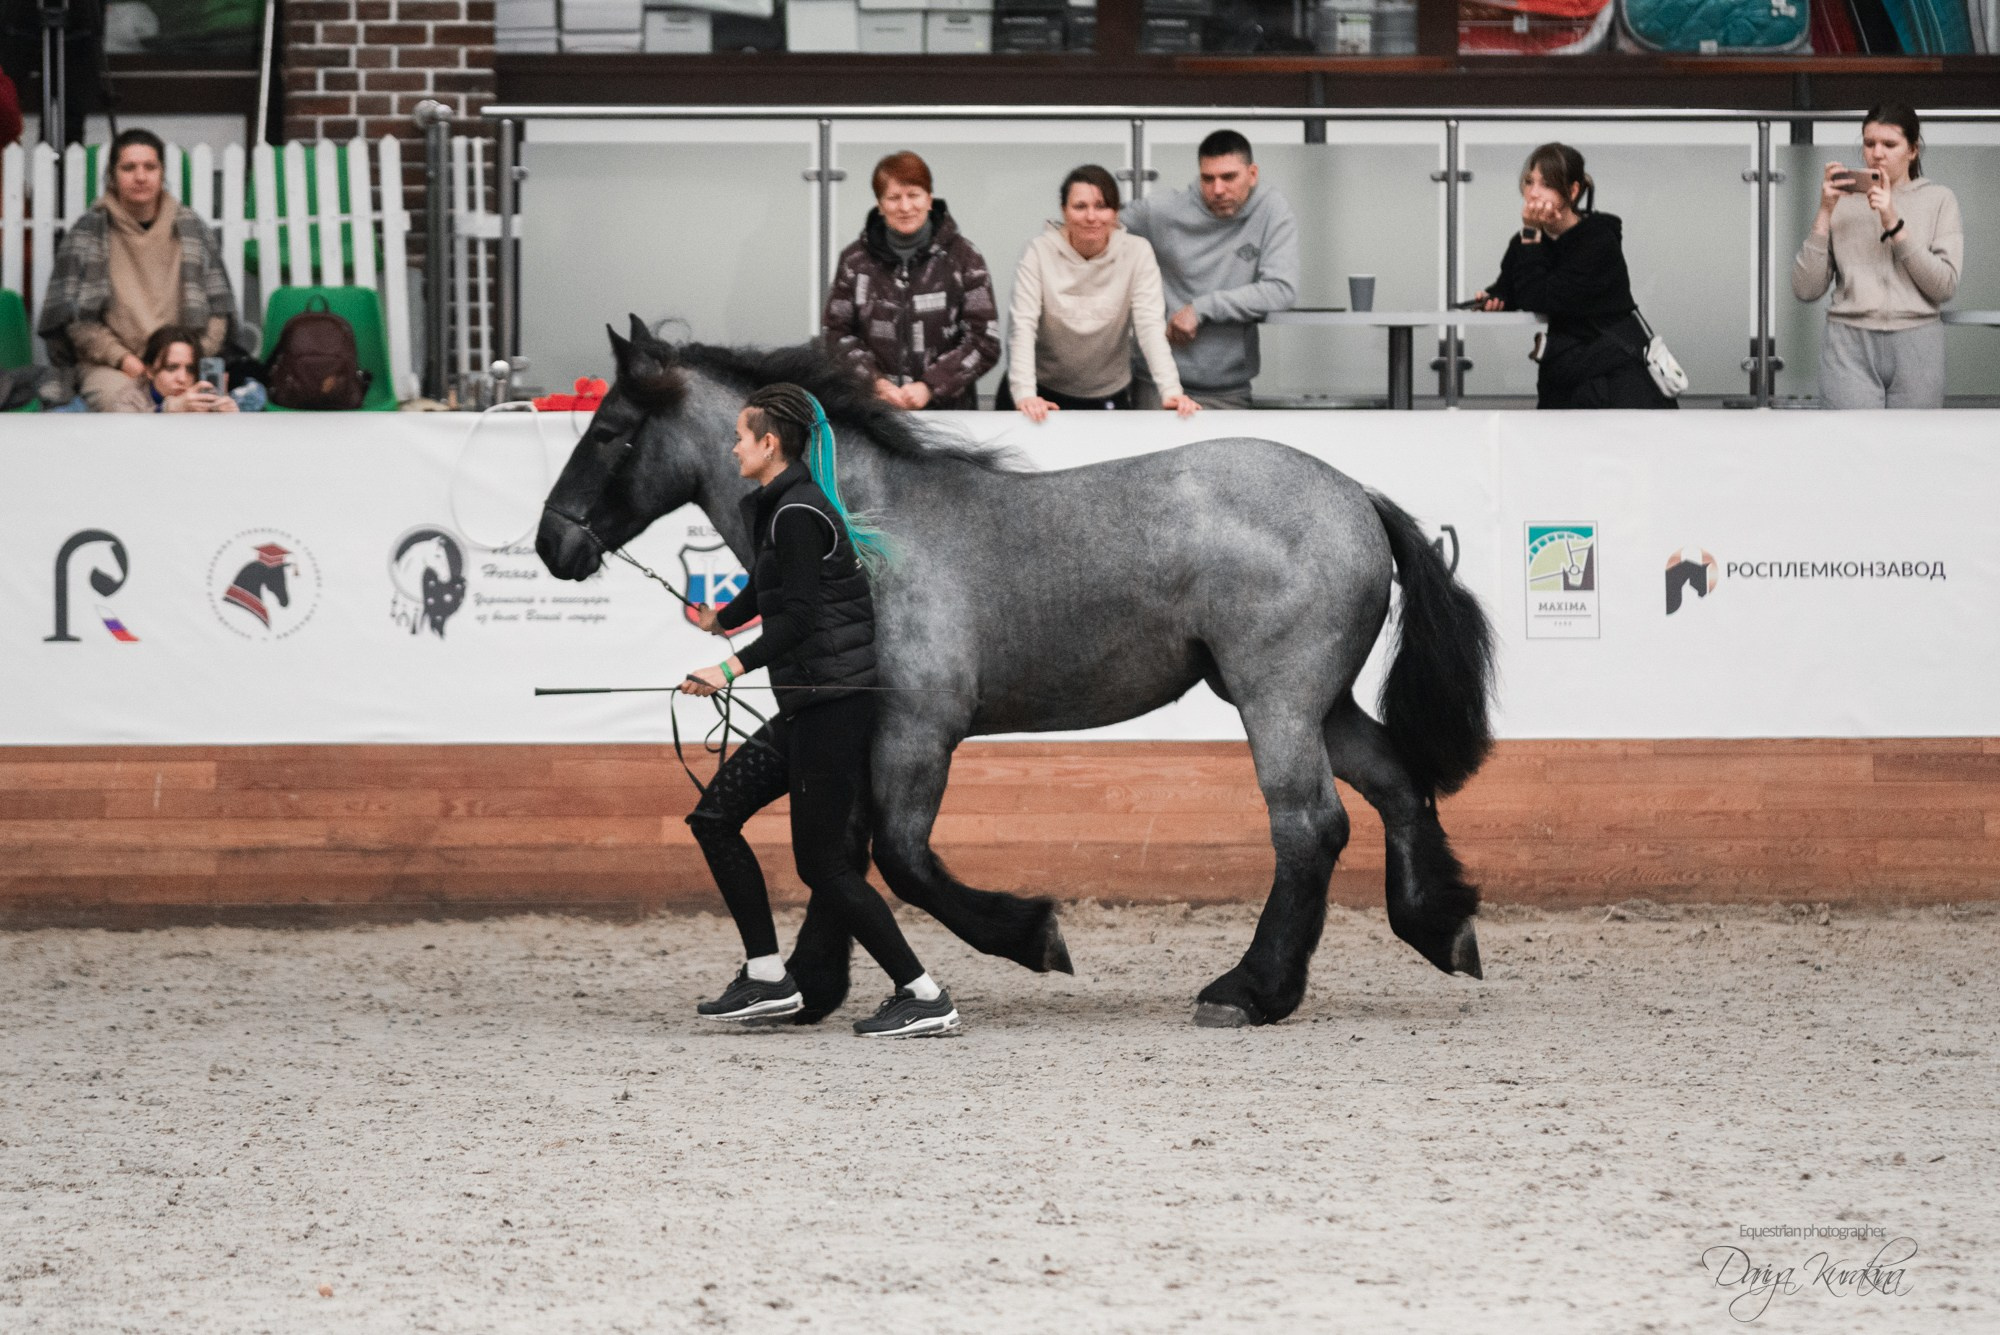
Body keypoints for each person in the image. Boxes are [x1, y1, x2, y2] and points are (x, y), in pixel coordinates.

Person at [679, 383, 960, 1039]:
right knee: (715, 817)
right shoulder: (785, 508)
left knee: (824, 865)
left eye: (741, 437)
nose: (733, 447)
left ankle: (924, 994)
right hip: (811, 706)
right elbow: (771, 587)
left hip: (832, 709)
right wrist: (721, 618)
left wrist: (727, 668)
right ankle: (768, 975)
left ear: (769, 444)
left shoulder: (798, 511)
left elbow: (801, 617)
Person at [35, 126, 242, 413]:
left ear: (162, 173)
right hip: (113, 365)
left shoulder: (191, 229)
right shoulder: (88, 232)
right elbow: (78, 323)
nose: (140, 176)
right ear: (113, 175)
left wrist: (189, 360)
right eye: (128, 167)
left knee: (209, 406)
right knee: (125, 409)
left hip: (182, 362)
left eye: (150, 167)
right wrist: (130, 363)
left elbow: (218, 312)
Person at [1473, 142, 1675, 410]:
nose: (1533, 193)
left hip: (1613, 377)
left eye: (1546, 184)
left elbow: (1541, 296)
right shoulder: (1528, 239)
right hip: (1567, 374)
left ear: (1572, 191)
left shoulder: (1597, 240)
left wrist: (1531, 233)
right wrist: (1497, 297)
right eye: (1529, 181)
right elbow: (1514, 285)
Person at [1792, 103, 1962, 410]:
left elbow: (1944, 287)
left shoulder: (1939, 200)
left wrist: (1893, 223)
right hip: (1849, 343)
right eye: (1869, 144)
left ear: (1913, 150)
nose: (1877, 153)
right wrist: (1825, 211)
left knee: (1914, 449)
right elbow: (1806, 289)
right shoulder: (1842, 201)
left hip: (1917, 340)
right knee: (1851, 448)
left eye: (1889, 144)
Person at [1003, 164, 1200, 422]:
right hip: (1040, 395)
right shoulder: (1038, 252)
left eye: (1101, 206)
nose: (1091, 216)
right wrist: (1025, 394)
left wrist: (1171, 390)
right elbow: (1022, 326)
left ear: (1116, 212)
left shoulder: (1137, 252)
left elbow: (1149, 326)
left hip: (1107, 393)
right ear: (1064, 210)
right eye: (1080, 206)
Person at [1120, 129, 1300, 410]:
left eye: (1229, 177)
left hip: (1228, 388)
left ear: (1252, 174)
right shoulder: (1162, 211)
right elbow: (1097, 228)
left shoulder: (1271, 210)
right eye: (1208, 178)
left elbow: (1281, 290)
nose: (1217, 189)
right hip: (1157, 383)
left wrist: (1201, 309)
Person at [821, 151, 999, 411]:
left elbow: (985, 340)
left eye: (913, 195)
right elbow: (836, 335)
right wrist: (875, 384)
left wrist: (930, 386)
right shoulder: (854, 261)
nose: (905, 207)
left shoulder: (965, 258)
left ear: (929, 199)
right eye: (893, 198)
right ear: (880, 205)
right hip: (875, 412)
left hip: (949, 415)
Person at [141, 324, 237, 413]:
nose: (182, 379)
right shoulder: (129, 398)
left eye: (190, 370)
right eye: (171, 368)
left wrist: (227, 421)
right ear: (150, 371)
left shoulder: (201, 399)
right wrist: (167, 409)